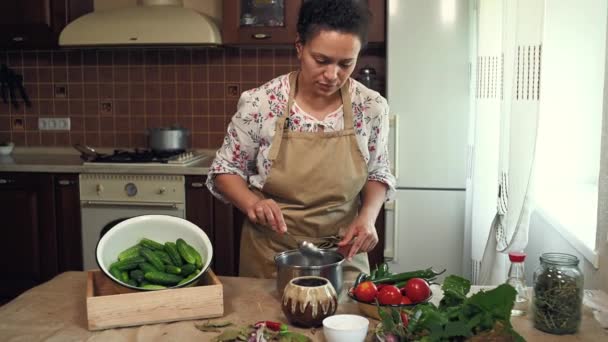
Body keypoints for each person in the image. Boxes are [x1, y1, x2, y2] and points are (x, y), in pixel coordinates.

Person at [206, 0, 395, 279]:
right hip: (271, 256)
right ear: (299, 47)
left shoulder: (370, 107)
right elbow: (225, 171)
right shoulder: (261, 103)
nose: (332, 75)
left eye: (346, 64)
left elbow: (378, 171)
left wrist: (367, 217)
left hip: (344, 254)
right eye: (321, 60)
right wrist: (252, 203)